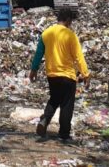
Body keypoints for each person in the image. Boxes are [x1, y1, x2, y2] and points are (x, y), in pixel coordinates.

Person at [29, 8, 90, 143]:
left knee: (54, 99)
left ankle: (45, 119)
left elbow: (38, 54)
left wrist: (33, 70)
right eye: (71, 21)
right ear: (68, 20)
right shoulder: (70, 35)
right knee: (67, 105)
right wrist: (85, 74)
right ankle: (63, 134)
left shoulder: (46, 33)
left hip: (52, 75)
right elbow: (79, 57)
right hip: (67, 76)